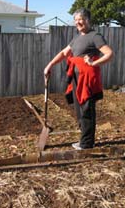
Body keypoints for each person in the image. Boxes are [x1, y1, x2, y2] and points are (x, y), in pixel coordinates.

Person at [44, 9, 114, 150]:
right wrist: (50, 65)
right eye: (75, 20)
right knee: (79, 109)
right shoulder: (76, 38)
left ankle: (87, 143)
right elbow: (65, 53)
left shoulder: (95, 36)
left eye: (80, 19)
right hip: (77, 78)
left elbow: (109, 53)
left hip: (87, 79)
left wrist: (94, 63)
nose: (77, 22)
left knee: (87, 109)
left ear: (88, 19)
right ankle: (85, 139)